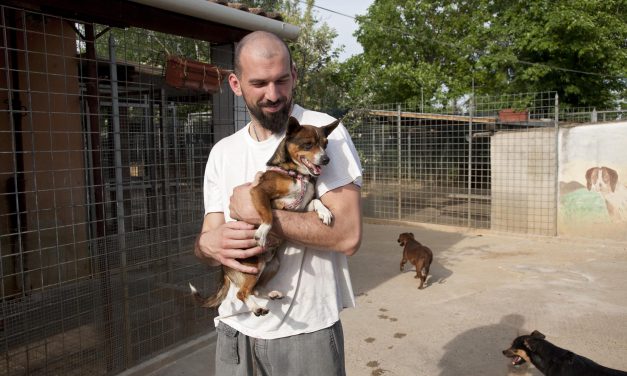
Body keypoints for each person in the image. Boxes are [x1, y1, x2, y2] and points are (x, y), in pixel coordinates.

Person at [194, 30, 363, 375]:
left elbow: (347, 235)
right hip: (234, 330)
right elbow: (208, 240)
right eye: (259, 83)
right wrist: (208, 244)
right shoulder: (222, 153)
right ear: (236, 84)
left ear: (294, 76)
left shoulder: (320, 135)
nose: (273, 95)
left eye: (281, 80)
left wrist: (258, 212)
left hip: (306, 332)